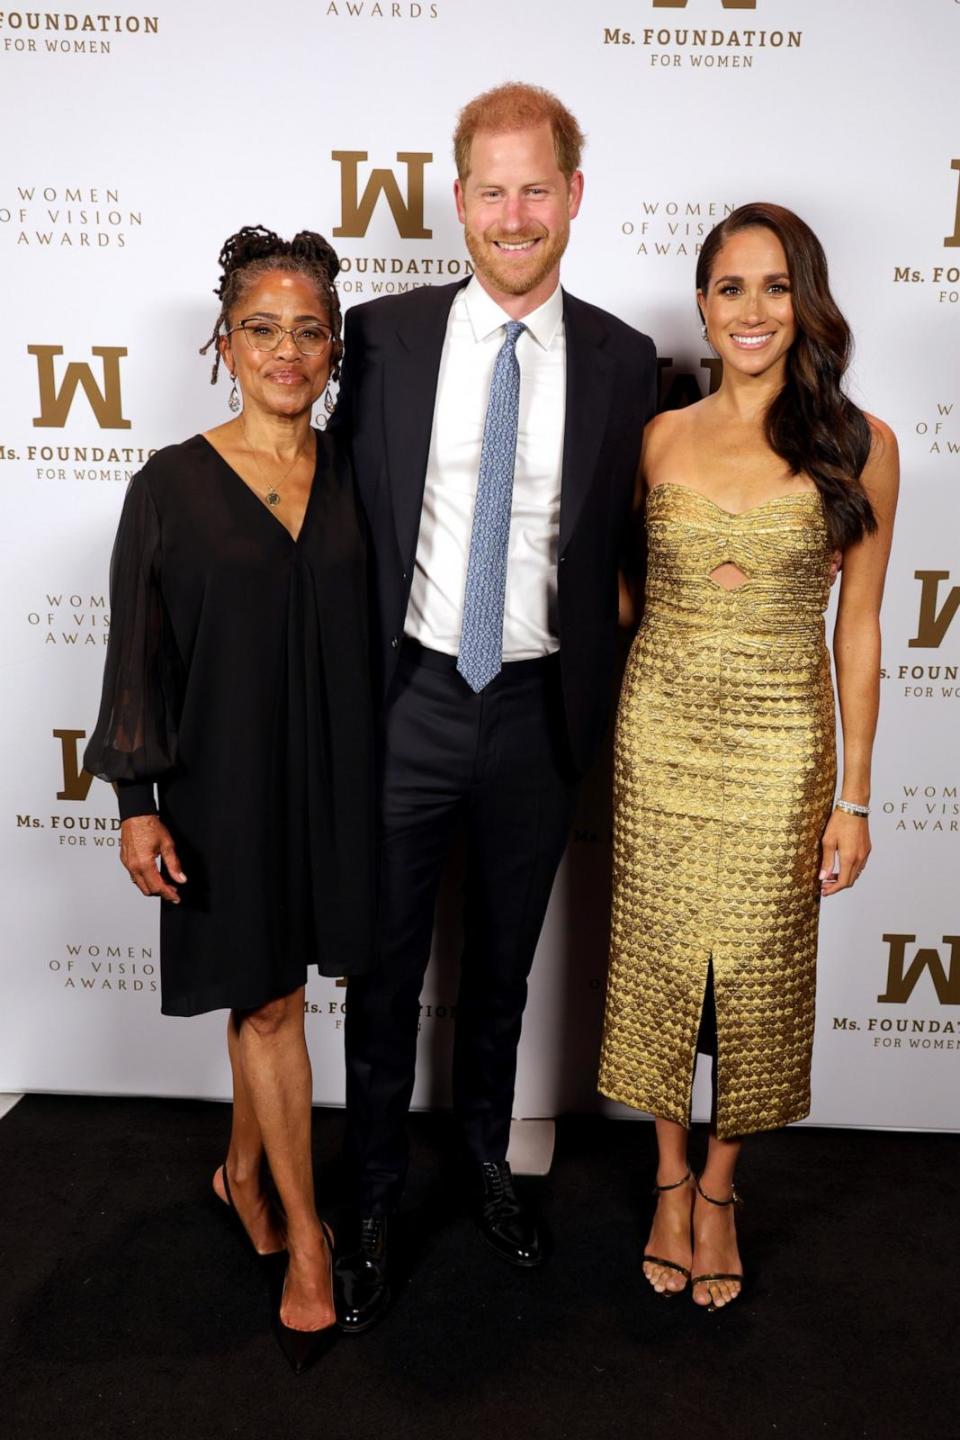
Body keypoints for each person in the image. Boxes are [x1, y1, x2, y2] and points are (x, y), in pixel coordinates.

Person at [330, 82, 658, 1332]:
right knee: (381, 970)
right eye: (490, 189)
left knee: (503, 977)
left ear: (574, 194)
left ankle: (481, 1160)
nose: (513, 215)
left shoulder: (628, 360)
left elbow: (636, 535)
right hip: (409, 697)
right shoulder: (380, 338)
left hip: (535, 710)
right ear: (456, 200)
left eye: (537, 188)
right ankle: (366, 1199)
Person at [84, 226, 375, 1371]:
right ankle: (308, 1240)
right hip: (222, 787)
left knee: (281, 994)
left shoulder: (359, 471)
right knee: (265, 1007)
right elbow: (135, 656)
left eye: (309, 330)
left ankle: (243, 1170)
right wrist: (136, 802)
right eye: (262, 328)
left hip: (341, 776)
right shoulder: (168, 482)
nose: (286, 350)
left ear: (335, 347)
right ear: (223, 341)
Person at [598, 203, 899, 1311]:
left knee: (760, 980)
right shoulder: (660, 436)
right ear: (703, 305)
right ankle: (668, 1175)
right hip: (661, 732)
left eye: (776, 288)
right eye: (732, 288)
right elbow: (623, 595)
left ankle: (722, 1190)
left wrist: (854, 796)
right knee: (664, 964)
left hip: (782, 743)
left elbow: (859, 628)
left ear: (807, 302)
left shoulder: (860, 444)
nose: (754, 311)